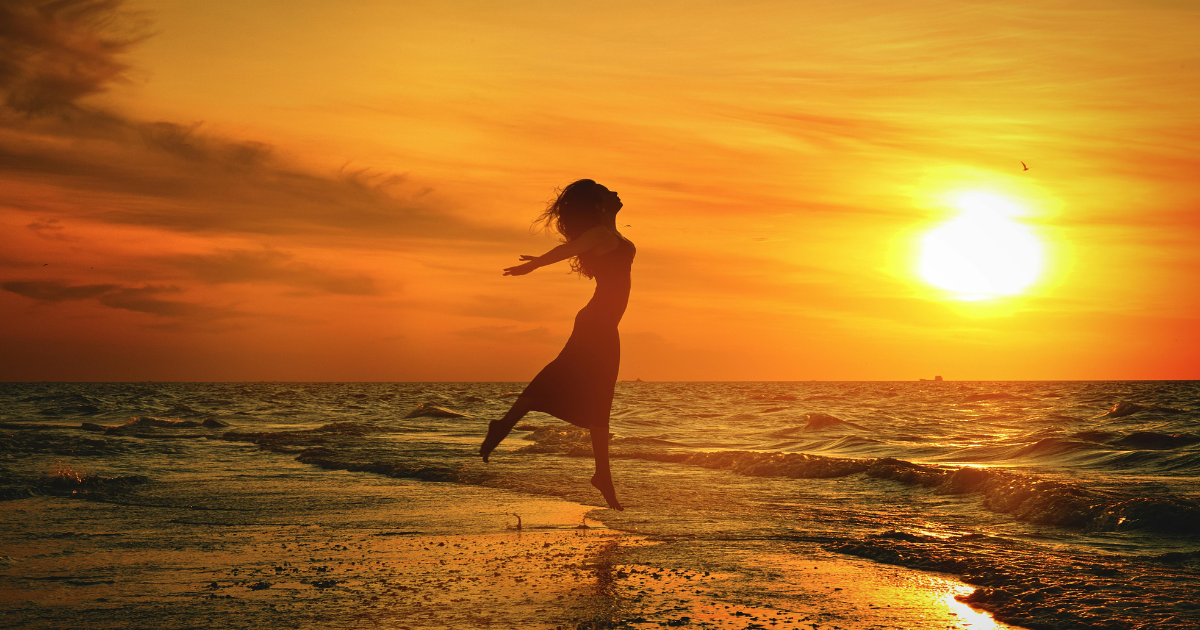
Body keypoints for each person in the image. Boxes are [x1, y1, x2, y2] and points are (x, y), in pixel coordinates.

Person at [480, 179, 635, 511]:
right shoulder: (599, 235)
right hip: (597, 322)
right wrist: (534, 264)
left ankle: (599, 474)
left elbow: (577, 246)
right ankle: (601, 475)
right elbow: (569, 249)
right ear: (598, 205)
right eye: (607, 192)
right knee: (586, 389)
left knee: (595, 394)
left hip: (604, 324)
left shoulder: (612, 234)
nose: (616, 193)